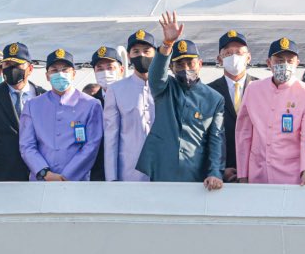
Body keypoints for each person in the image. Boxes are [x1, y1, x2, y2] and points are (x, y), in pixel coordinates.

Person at [135, 12, 224, 190]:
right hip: (162, 171)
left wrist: (215, 172)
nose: (185, 68)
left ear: (199, 64)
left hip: (195, 174)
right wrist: (167, 44)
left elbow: (216, 140)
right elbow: (155, 75)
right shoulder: (165, 88)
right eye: (179, 64)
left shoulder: (214, 98)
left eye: (190, 63)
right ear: (172, 67)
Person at [235, 37, 305, 185]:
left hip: (292, 175)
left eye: (290, 61)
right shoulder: (253, 89)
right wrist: (242, 173)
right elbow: (244, 133)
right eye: (279, 60)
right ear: (269, 63)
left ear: (297, 64)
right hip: (258, 173)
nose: (285, 65)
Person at [19, 49, 103, 182]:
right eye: (54, 70)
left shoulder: (91, 104)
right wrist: (44, 172)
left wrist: (67, 176)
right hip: (41, 180)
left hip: (76, 181)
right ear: (47, 76)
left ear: (74, 74)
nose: (60, 74)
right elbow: (27, 145)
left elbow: (91, 146)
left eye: (65, 70)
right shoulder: (33, 105)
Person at [0, 42, 44, 181]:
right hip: (3, 178)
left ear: (30, 68)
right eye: (7, 65)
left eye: (17, 65)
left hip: (39, 174)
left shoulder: (43, 96)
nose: (11, 69)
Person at [103, 29, 157, 182]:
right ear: (128, 56)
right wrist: (112, 178)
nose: (142, 56)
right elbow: (111, 137)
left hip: (163, 169)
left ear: (156, 54)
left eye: (147, 51)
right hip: (129, 172)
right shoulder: (116, 89)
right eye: (136, 51)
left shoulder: (167, 86)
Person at [207, 30, 254, 184]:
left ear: (248, 57)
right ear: (219, 59)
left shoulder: (262, 88)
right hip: (220, 176)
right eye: (228, 53)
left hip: (255, 171)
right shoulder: (208, 92)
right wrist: (219, 169)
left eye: (239, 53)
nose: (234, 57)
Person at [87, 45, 124, 182]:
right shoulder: (89, 104)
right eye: (100, 69)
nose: (105, 72)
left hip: (131, 168)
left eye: (110, 67)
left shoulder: (133, 97)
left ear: (121, 70)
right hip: (99, 172)